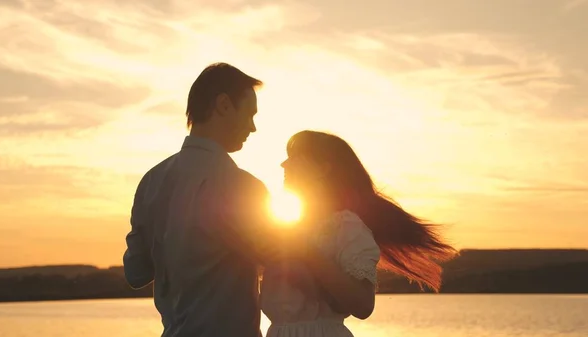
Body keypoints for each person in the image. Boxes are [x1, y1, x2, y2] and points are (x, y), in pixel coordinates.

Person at [123, 62, 287, 337]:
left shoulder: (151, 182)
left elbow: (136, 273)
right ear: (223, 105)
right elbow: (282, 260)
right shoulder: (243, 187)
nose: (254, 127)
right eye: (249, 114)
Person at [260, 130, 458, 337]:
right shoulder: (289, 227)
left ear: (322, 168)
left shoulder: (344, 226)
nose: (284, 164)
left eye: (295, 157)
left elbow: (363, 305)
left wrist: (309, 254)